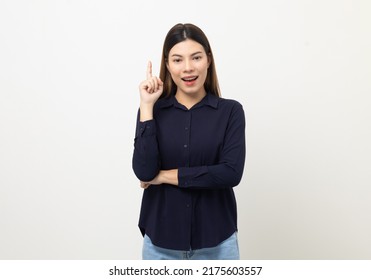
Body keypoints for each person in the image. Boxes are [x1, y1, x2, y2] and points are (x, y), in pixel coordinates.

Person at [132, 23, 246, 260]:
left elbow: (230, 173)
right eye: (177, 60)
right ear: (167, 64)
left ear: (208, 60)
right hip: (160, 245)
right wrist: (146, 105)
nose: (188, 68)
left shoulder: (230, 112)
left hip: (217, 244)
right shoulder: (152, 111)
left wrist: (163, 176)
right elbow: (144, 170)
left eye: (195, 57)